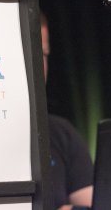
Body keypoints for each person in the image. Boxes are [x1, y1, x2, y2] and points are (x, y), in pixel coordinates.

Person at [41, 13, 94, 210]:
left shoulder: (61, 132)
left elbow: (94, 204)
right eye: (30, 52)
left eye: (44, 54)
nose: (39, 64)